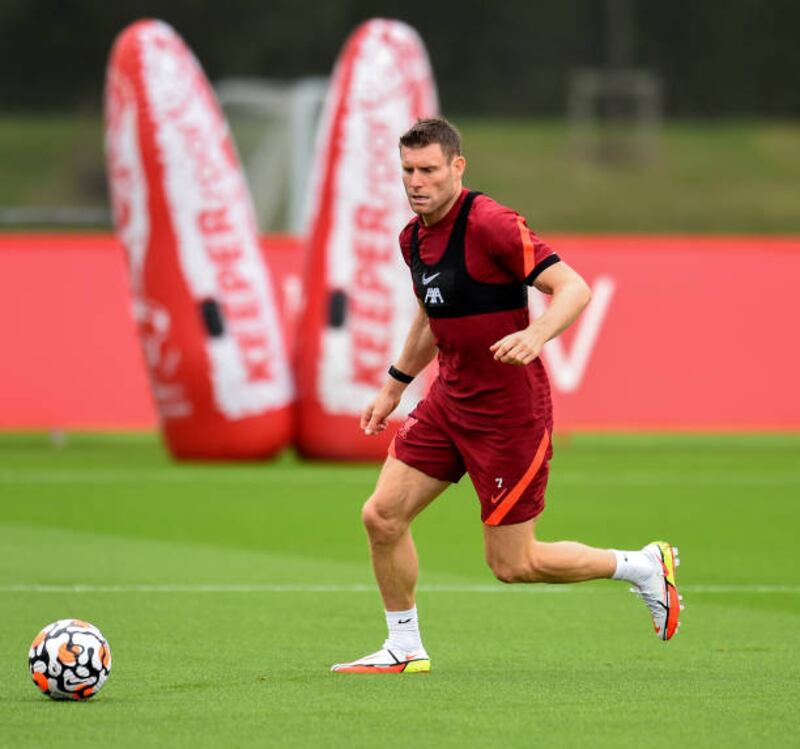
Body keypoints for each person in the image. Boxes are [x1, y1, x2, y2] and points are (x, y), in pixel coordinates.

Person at [330, 118, 681, 674]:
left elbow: (574, 288)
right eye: (407, 171)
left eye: (428, 170)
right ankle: (403, 647)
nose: (416, 182)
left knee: (514, 564)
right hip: (449, 402)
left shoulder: (490, 222)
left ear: (456, 167)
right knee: (382, 516)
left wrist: (534, 334)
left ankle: (640, 566)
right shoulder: (413, 237)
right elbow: (429, 316)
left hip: (509, 415)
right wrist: (393, 386)